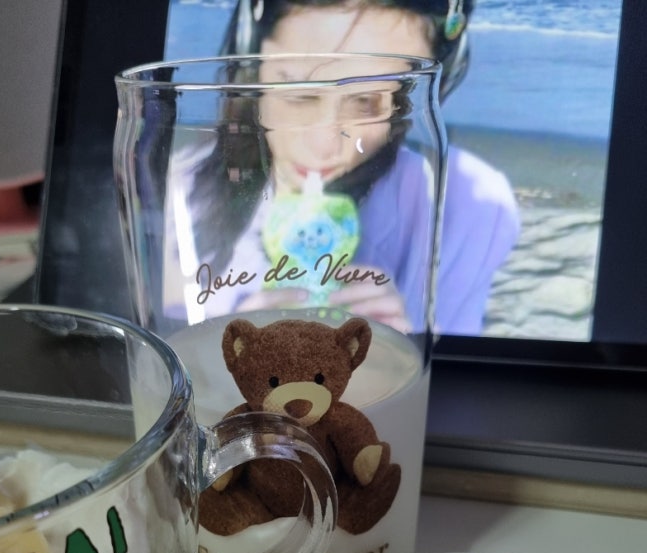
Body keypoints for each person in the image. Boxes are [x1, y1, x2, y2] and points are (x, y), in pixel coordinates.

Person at [172, 0, 520, 335]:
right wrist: (217, 358)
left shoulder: (468, 206)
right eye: (298, 91)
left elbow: (460, 367)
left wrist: (409, 348)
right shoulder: (172, 192)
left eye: (367, 102)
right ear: (251, 59)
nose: (323, 146)